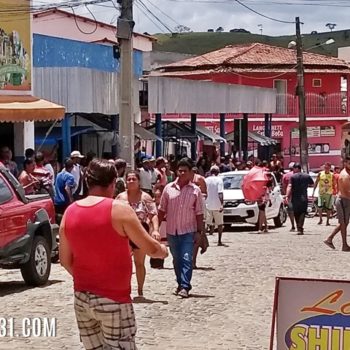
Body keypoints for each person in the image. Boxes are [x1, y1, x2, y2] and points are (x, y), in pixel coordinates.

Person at [59, 159, 168, 350]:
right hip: (114, 299)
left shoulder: (70, 212)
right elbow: (150, 248)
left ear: (87, 182)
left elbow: (65, 260)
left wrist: (87, 278)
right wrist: (163, 251)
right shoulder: (119, 210)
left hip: (82, 298)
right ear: (112, 183)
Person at [158, 158, 204, 298]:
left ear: (191, 173)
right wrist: (155, 228)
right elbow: (161, 210)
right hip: (172, 231)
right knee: (176, 259)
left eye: (185, 171)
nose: (182, 173)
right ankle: (179, 282)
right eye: (180, 170)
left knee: (186, 258)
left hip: (188, 231)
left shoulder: (195, 191)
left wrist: (199, 232)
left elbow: (199, 213)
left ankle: (185, 286)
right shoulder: (168, 189)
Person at [117, 171, 160, 297]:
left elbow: (153, 215)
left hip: (140, 232)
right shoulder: (120, 198)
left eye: (133, 179)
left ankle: (140, 289)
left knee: (139, 262)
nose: (131, 181)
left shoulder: (145, 197)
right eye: (129, 179)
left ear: (139, 181)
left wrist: (156, 230)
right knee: (124, 263)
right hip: (124, 234)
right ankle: (125, 288)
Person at [324, 157, 350, 251]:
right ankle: (343, 245)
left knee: (344, 223)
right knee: (343, 223)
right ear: (345, 163)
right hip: (344, 200)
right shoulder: (345, 176)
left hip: (343, 200)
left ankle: (330, 239)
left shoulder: (345, 172)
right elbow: (347, 192)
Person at [286, 163, 314, 235]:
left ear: (297, 168)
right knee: (303, 212)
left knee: (296, 212)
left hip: (295, 197)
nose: (293, 170)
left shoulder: (293, 177)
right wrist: (305, 186)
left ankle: (298, 227)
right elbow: (312, 184)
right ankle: (300, 227)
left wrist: (287, 196)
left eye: (294, 168)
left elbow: (290, 186)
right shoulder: (307, 176)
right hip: (304, 196)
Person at [205, 165, 224, 245]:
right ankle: (219, 241)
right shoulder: (219, 180)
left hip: (207, 204)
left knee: (206, 223)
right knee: (220, 224)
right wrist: (222, 204)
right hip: (217, 205)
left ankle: (205, 241)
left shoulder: (206, 180)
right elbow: (220, 193)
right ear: (218, 172)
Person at [282, 162, 296, 231]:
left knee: (290, 211)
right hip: (297, 195)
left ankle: (293, 225)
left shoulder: (285, 176)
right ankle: (299, 224)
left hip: (289, 196)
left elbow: (284, 186)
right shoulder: (297, 174)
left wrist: (286, 195)